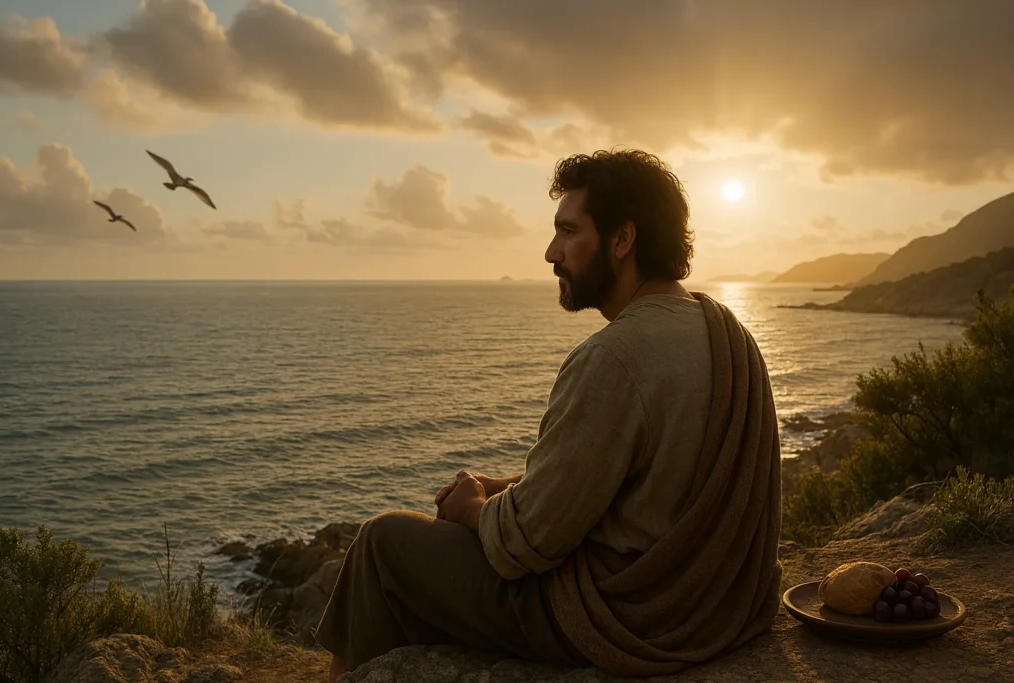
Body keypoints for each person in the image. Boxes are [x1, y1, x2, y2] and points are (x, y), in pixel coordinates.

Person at [316, 149, 782, 681]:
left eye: (567, 231)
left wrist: (472, 508)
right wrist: (504, 485)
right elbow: (633, 476)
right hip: (721, 605)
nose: (550, 252)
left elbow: (527, 544)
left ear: (622, 239)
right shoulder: (727, 332)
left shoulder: (614, 357)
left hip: (627, 617)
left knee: (383, 543)